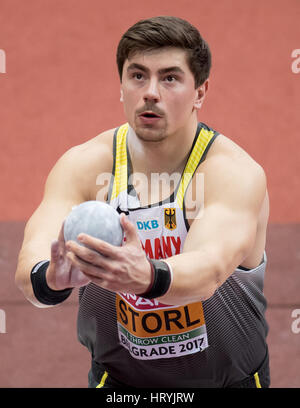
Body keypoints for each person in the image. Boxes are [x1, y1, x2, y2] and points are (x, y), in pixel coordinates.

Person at [15, 16, 270, 388]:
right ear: (121, 87)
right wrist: (50, 279)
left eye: (170, 78)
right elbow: (32, 259)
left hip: (227, 383)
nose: (150, 92)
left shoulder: (233, 173)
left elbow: (208, 270)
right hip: (119, 385)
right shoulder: (84, 166)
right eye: (137, 76)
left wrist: (148, 276)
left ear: (200, 92)